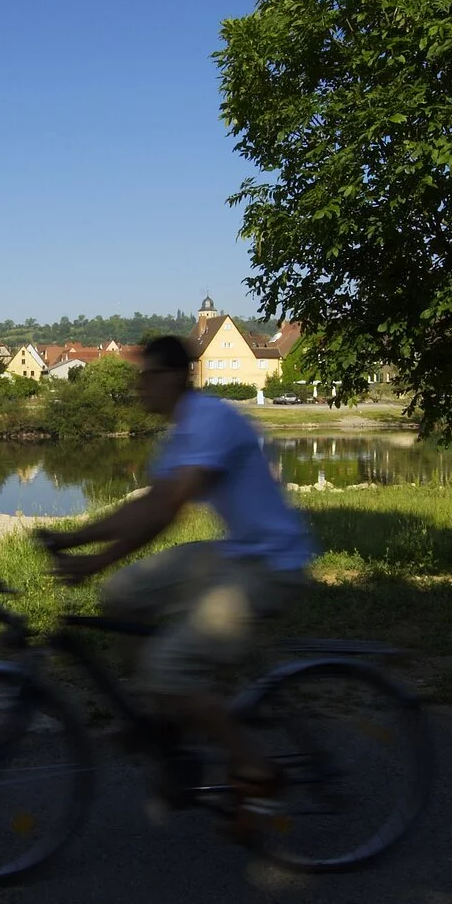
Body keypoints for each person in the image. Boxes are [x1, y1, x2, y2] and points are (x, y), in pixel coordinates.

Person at [38, 335, 316, 840]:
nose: (139, 385)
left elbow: (166, 513)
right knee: (124, 595)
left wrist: (93, 559)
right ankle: (170, 720)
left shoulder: (210, 420)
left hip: (272, 564)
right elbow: (146, 504)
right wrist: (74, 537)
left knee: (172, 665)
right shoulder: (180, 431)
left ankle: (254, 771)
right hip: (237, 553)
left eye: (147, 375)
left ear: (173, 377)